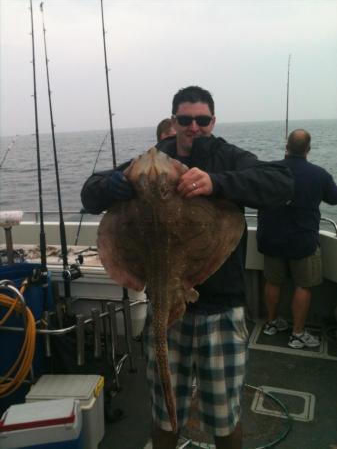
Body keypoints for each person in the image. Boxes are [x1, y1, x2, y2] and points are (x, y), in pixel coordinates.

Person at [81, 86, 294, 449]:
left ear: (212, 121)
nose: (193, 126)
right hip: (163, 305)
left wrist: (218, 182)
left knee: (225, 418)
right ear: (174, 121)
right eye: (184, 119)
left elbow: (281, 183)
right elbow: (90, 194)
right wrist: (116, 184)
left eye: (202, 119)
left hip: (221, 308)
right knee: (164, 412)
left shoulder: (227, 157)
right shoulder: (152, 159)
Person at [257, 129, 337, 349]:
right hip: (303, 243)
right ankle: (297, 334)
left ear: (286, 146)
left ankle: (271, 323)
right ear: (308, 150)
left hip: (271, 240)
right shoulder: (320, 175)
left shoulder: (268, 170)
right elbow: (334, 198)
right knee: (304, 286)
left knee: (272, 282)